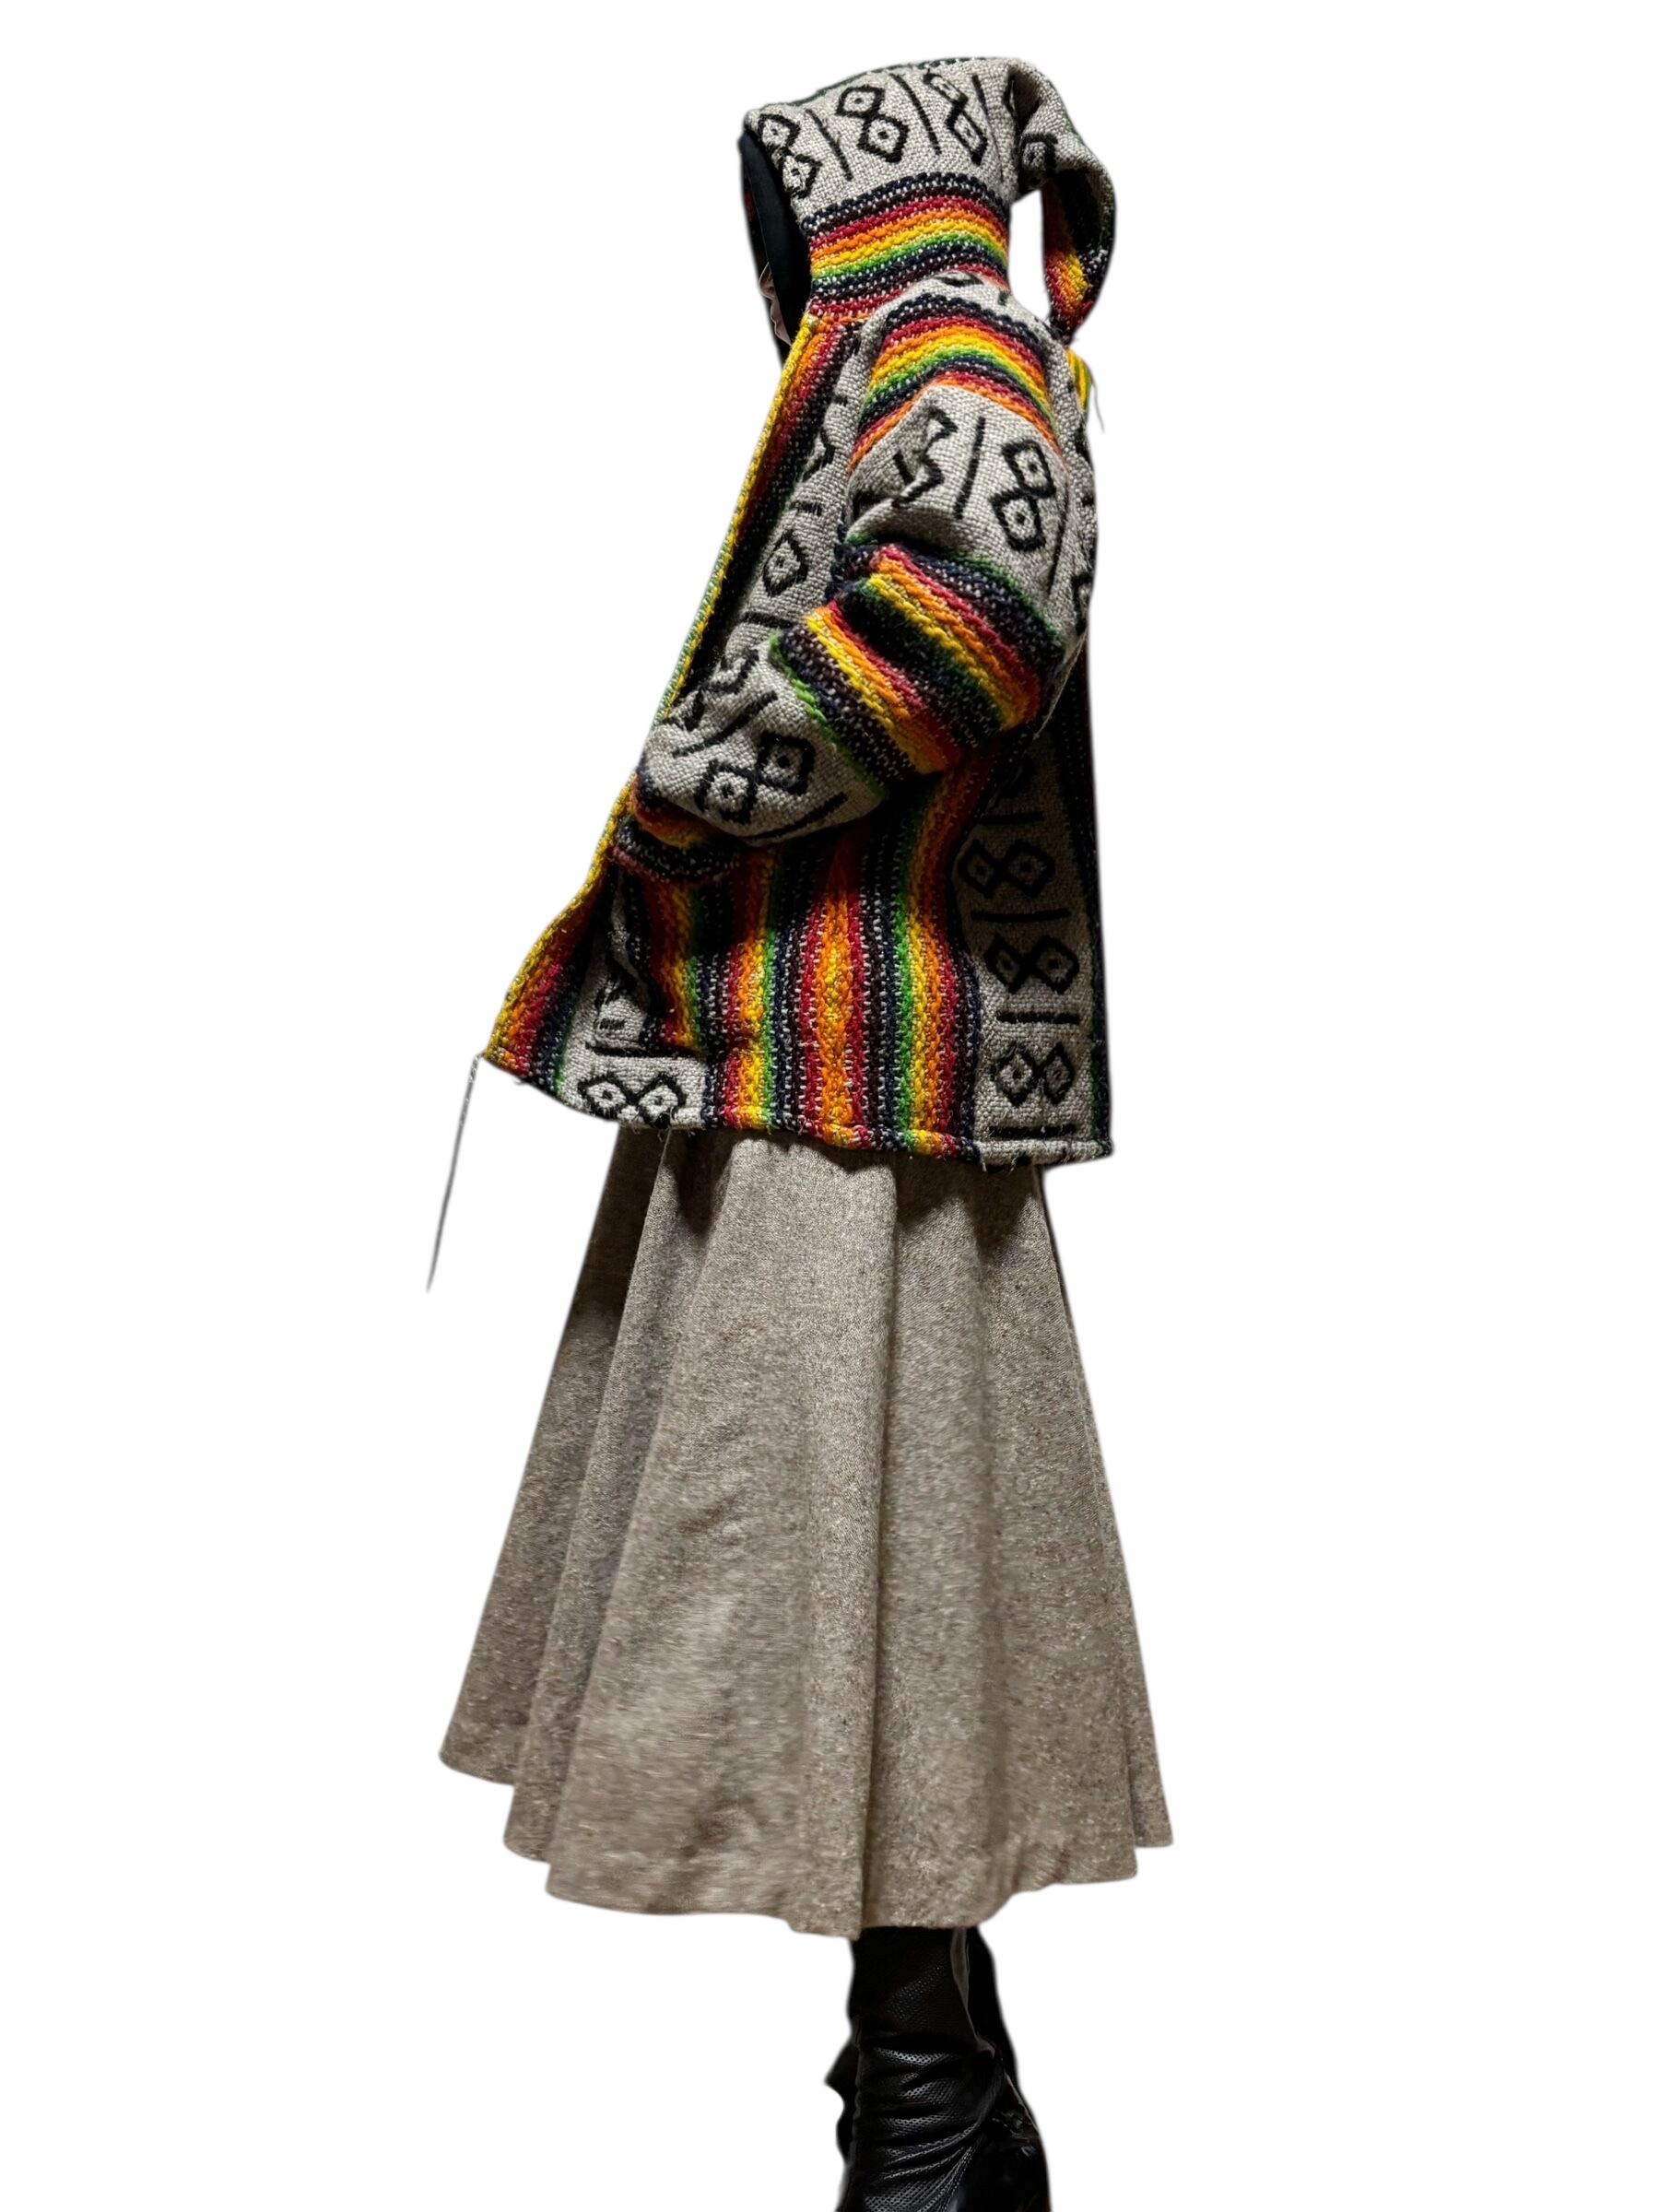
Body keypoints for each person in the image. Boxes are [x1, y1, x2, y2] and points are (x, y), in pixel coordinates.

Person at [441, 57, 1171, 2210]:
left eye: (779, 204)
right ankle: (937, 2087)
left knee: (845, 1588)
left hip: (848, 1078)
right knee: (870, 1588)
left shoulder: (942, 347)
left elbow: (983, 616)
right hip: (820, 1058)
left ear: (851, 202)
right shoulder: (936, 353)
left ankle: (924, 2105)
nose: (764, 247)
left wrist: (703, 782)